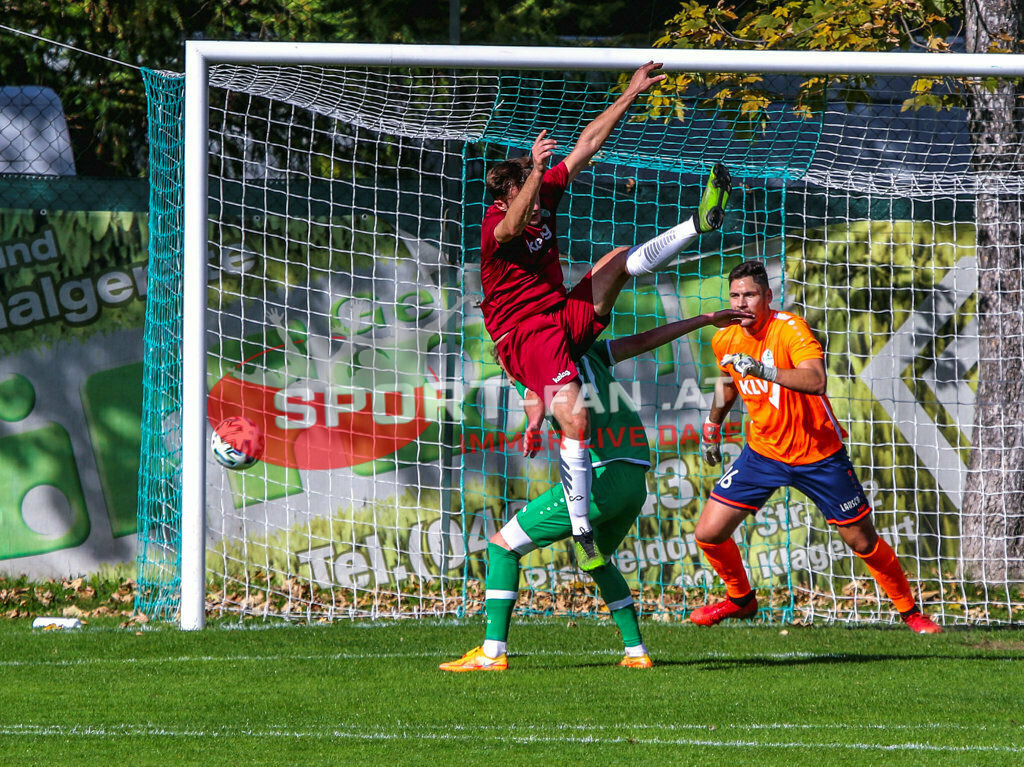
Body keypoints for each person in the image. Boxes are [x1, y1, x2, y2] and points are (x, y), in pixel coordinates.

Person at [481, 61, 732, 572]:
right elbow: (512, 227)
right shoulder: (497, 228)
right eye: (525, 198)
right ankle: (581, 530)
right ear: (505, 200)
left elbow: (587, 144)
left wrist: (631, 92)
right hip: (523, 334)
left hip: (559, 318)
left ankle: (696, 224)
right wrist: (534, 173)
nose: (537, 206)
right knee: (577, 417)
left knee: (616, 259)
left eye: (536, 196)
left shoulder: (541, 195)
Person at [440, 307, 752, 672]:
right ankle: (636, 652)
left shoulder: (532, 364)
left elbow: (535, 397)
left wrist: (533, 424)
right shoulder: (588, 352)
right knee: (594, 557)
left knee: (502, 547)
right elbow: (645, 340)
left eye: (509, 372)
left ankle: (492, 653)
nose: (512, 377)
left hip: (599, 482)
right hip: (634, 480)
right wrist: (704, 319)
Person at [691, 260, 943, 634]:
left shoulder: (790, 328)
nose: (741, 303)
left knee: (862, 541)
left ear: (767, 297)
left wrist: (762, 370)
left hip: (819, 455)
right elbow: (729, 381)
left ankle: (911, 614)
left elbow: (816, 380)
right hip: (763, 453)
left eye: (750, 295)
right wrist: (713, 423)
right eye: (735, 295)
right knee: (708, 533)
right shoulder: (725, 337)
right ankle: (741, 600)